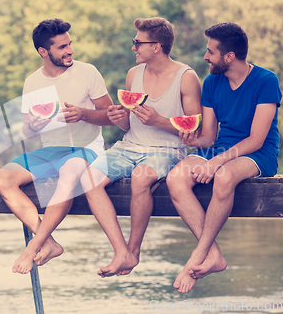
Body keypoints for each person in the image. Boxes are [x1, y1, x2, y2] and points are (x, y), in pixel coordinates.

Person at [81, 17, 202, 278]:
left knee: (141, 177)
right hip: (128, 147)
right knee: (89, 178)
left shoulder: (187, 77)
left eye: (137, 43)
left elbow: (194, 131)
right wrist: (120, 119)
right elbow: (129, 126)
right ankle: (120, 251)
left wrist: (160, 120)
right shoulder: (133, 75)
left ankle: (134, 251)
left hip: (167, 150)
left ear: (156, 46)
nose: (133, 48)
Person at [166, 22, 282, 293]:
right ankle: (213, 255)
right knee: (175, 178)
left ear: (229, 56)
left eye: (211, 52)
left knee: (224, 175)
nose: (205, 57)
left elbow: (256, 139)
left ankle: (197, 255)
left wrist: (216, 162)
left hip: (257, 154)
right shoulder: (212, 82)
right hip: (218, 150)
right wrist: (193, 140)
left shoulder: (266, 81)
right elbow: (208, 136)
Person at [0, 18, 113, 275]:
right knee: (3, 179)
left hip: (86, 147)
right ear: (43, 52)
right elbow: (27, 130)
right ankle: (49, 243)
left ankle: (32, 247)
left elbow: (111, 115)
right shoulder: (32, 81)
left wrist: (83, 114)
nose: (70, 50)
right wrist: (33, 127)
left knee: (69, 174)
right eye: (62, 47)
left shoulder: (88, 72)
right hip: (49, 150)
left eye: (70, 44)